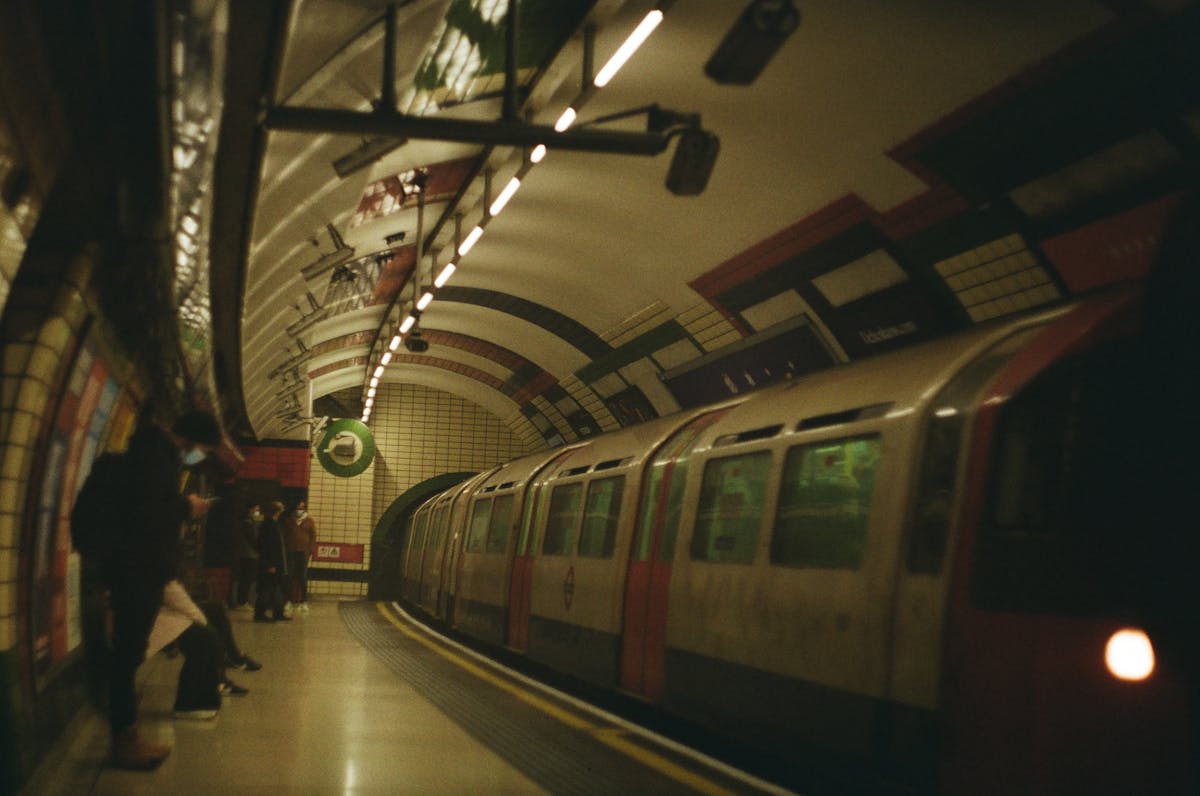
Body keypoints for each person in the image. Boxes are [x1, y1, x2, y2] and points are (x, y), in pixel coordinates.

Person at [101, 408, 220, 769]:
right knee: (126, 657)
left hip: (140, 570)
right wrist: (188, 506)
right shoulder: (155, 460)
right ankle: (125, 742)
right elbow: (150, 516)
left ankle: (128, 736)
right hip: (139, 572)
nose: (201, 456)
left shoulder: (154, 456)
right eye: (204, 448)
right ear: (192, 439)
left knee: (129, 654)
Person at [254, 501, 290, 622]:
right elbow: (267, 546)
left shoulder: (273, 524)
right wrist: (270, 564)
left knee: (275, 588)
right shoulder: (269, 525)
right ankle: (260, 613)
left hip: (275, 563)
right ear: (278, 511)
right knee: (267, 589)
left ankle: (277, 612)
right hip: (270, 563)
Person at [284, 500, 317, 611]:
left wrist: (309, 551)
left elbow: (313, 537)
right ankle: (289, 601)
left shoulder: (309, 521)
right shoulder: (289, 521)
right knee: (290, 576)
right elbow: (285, 536)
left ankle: (304, 601)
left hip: (303, 553)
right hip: (291, 552)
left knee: (303, 577)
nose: (299, 510)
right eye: (298, 508)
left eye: (302, 508)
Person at [231, 503, 261, 609]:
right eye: (256, 509)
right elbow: (252, 539)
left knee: (245, 578)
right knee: (247, 578)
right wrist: (259, 550)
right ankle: (242, 601)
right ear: (251, 509)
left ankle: (242, 600)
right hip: (249, 554)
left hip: (245, 553)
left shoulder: (245, 521)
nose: (258, 511)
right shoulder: (247, 522)